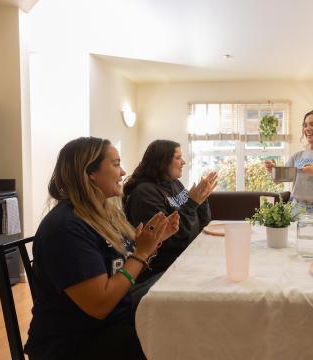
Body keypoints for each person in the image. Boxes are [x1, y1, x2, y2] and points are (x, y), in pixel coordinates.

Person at [24, 137, 180, 360]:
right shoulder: (66, 228)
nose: (124, 171)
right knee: (178, 335)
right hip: (75, 344)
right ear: (90, 173)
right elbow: (100, 305)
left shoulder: (106, 215)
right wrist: (141, 252)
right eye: (116, 164)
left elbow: (121, 274)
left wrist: (152, 243)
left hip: (112, 323)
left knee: (179, 314)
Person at [123, 139, 217, 294]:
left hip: (187, 258)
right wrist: (193, 203)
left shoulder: (175, 184)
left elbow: (203, 224)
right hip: (163, 271)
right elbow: (170, 240)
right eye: (178, 158)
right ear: (162, 161)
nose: (184, 162)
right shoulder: (144, 193)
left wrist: (203, 199)